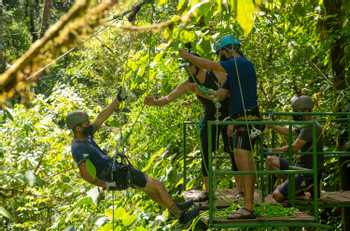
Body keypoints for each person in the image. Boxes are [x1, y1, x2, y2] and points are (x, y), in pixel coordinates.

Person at [66, 94, 199, 224]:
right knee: (158, 185)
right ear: (77, 128)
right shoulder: (78, 148)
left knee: (149, 189)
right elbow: (85, 174)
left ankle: (174, 207)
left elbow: (101, 117)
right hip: (115, 176)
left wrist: (117, 100)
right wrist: (104, 184)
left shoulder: (86, 134)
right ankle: (181, 215)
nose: (89, 125)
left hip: (116, 171)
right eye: (86, 123)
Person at [179, 35, 260, 219]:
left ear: (228, 50)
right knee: (243, 161)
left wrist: (188, 56)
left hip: (247, 118)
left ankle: (248, 207)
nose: (219, 58)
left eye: (220, 54)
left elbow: (210, 65)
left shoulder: (239, 63)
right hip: (239, 120)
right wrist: (206, 93)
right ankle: (248, 204)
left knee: (245, 162)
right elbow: (222, 95)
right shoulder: (234, 73)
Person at [144, 57, 242, 200]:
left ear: (196, 65)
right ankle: (209, 191)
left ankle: (240, 189)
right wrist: (154, 102)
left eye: (188, 66)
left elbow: (233, 89)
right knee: (206, 152)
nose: (186, 70)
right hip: (209, 117)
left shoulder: (215, 73)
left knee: (233, 151)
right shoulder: (190, 83)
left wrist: (234, 117)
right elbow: (168, 98)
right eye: (184, 67)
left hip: (227, 117)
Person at [265, 95, 323, 203]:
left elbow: (294, 148)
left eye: (297, 111)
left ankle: (305, 184)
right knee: (270, 160)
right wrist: (272, 125)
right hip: (299, 166)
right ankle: (297, 188)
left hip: (307, 171)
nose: (294, 113)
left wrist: (274, 150)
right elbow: (290, 131)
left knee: (276, 195)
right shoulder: (306, 125)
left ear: (305, 110)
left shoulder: (310, 127)